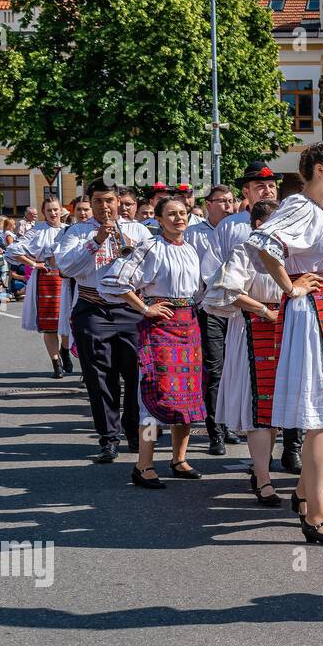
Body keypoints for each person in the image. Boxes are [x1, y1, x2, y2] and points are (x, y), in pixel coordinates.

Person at [248, 142, 323, 548]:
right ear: (319, 168)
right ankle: (316, 516)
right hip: (311, 314)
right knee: (322, 416)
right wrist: (289, 286)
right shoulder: (298, 205)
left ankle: (304, 495)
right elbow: (264, 242)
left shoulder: (322, 210)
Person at [101, 196, 207, 488]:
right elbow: (115, 281)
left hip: (189, 326)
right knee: (153, 396)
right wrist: (146, 308)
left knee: (187, 397)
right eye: (171, 214)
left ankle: (179, 459)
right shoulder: (150, 247)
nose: (178, 218)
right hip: (160, 328)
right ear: (158, 220)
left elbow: (197, 292)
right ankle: (144, 465)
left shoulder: (191, 249)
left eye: (183, 213)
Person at [54, 177, 153, 463]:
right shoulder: (77, 231)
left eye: (109, 201)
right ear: (91, 202)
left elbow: (151, 270)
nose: (104, 207)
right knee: (100, 379)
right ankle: (108, 438)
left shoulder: (138, 230)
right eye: (98, 201)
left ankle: (135, 432)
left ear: (118, 201)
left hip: (130, 309)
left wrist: (133, 249)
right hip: (92, 308)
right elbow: (67, 267)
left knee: (137, 376)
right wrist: (96, 241)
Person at [216, 161, 303, 475]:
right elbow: (222, 282)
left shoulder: (294, 228)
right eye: (260, 186)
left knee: (292, 387)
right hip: (253, 320)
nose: (268, 190)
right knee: (256, 395)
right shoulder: (233, 229)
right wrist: (262, 309)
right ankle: (261, 468)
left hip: (289, 321)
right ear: (246, 192)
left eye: (271, 185)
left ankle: (292, 448)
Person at [202, 199, 291, 507]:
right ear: (258, 225)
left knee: (277, 408)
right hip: (254, 330)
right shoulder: (246, 250)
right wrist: (265, 310)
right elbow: (226, 290)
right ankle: (264, 479)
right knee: (260, 409)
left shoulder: (290, 252)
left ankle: (260, 467)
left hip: (286, 331)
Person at [184, 182, 239, 455]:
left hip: (238, 308)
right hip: (209, 309)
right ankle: (215, 431)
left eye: (231, 200)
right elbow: (193, 271)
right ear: (209, 205)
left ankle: (228, 423)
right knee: (215, 371)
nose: (228, 206)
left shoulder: (240, 228)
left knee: (233, 369)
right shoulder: (195, 234)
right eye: (222, 201)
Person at [4, 198, 73, 378]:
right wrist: (34, 263)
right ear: (44, 212)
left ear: (61, 211)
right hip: (46, 280)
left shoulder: (69, 231)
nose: (53, 213)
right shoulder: (37, 231)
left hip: (66, 280)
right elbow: (12, 250)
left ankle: (65, 350)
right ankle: (56, 363)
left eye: (56, 209)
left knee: (66, 321)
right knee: (49, 325)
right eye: (49, 210)